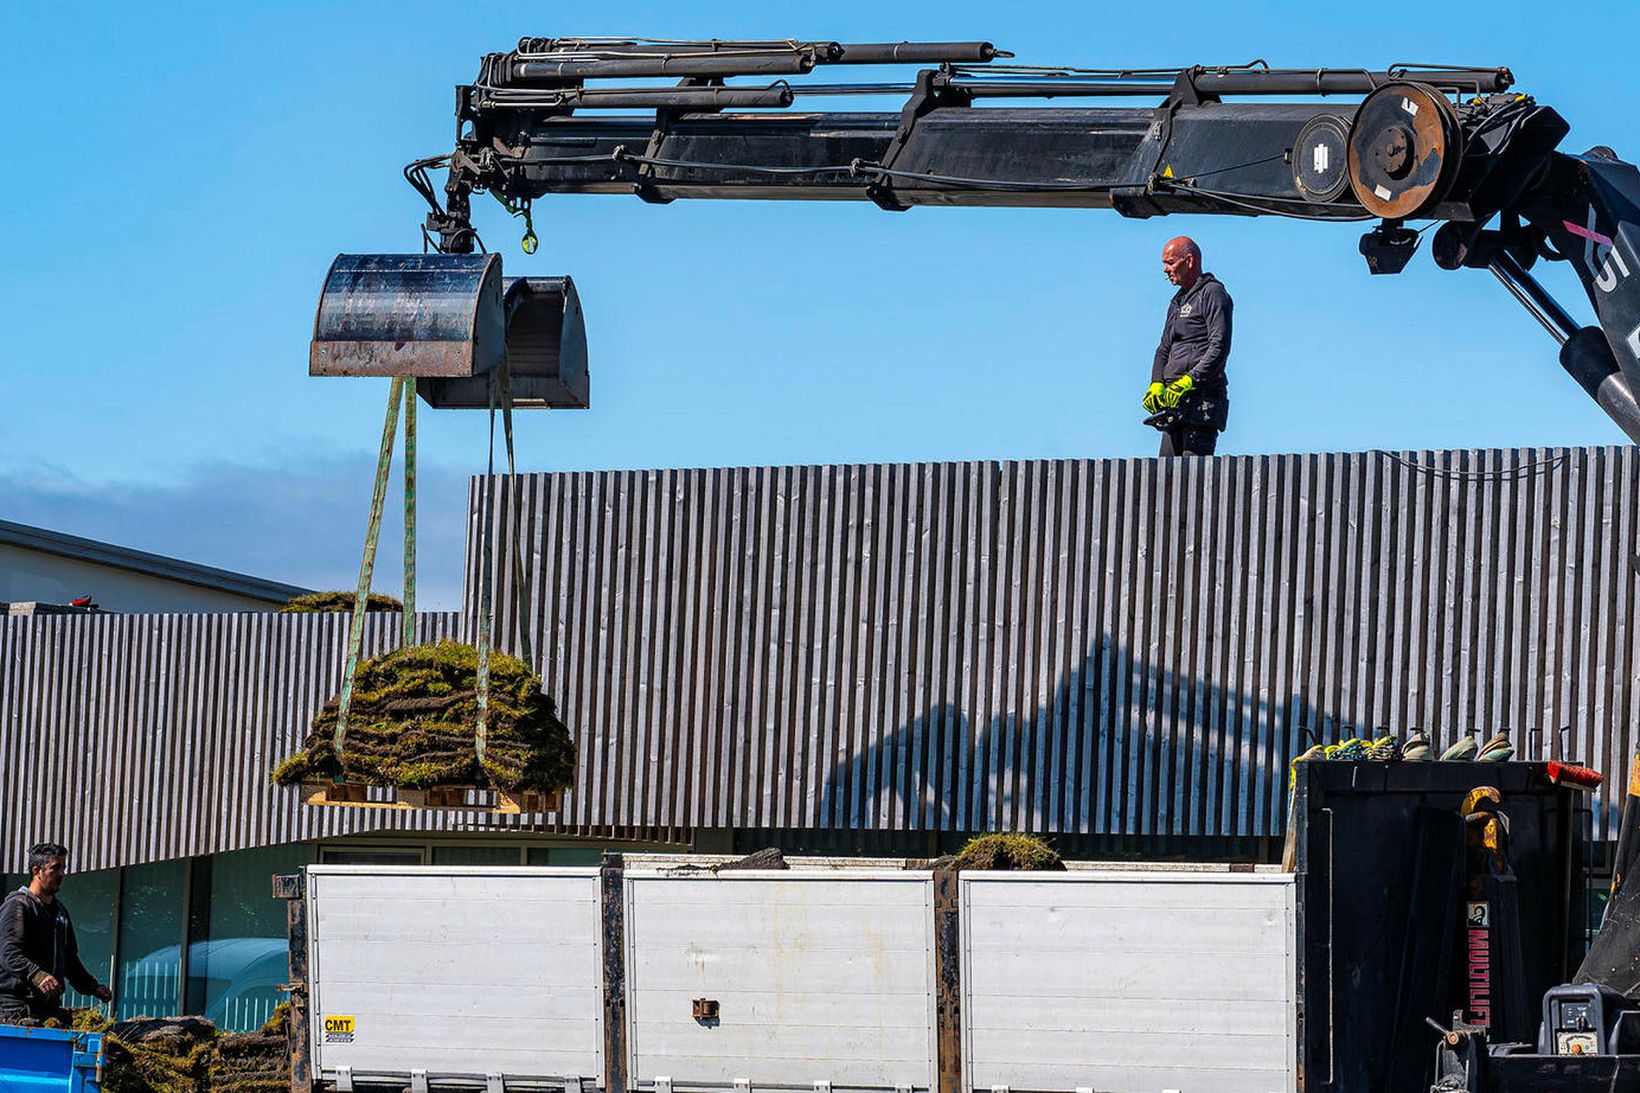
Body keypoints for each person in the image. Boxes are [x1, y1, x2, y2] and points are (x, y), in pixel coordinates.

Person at [0, 842, 113, 1025]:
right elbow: (8, 953)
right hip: (14, 1009)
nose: (61, 874)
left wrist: (93, 987)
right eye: (55, 868)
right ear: (37, 871)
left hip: (48, 1008)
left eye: (63, 868)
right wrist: (37, 975)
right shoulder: (18, 906)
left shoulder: (60, 912)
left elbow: (70, 960)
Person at [1142, 236, 1232, 456]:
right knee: (1165, 477)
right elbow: (1163, 349)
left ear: (1189, 261)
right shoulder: (1177, 301)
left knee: (1193, 481)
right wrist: (1156, 383)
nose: (1165, 269)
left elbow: (1219, 346)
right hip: (1175, 406)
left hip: (1202, 403)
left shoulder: (1212, 294)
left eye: (1170, 262)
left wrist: (1191, 379)